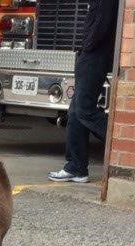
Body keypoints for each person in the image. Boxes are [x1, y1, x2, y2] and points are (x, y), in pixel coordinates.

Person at [48, 0, 118, 183]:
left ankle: (122, 143)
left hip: (94, 56)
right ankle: (76, 168)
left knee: (84, 110)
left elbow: (102, 25)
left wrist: (86, 47)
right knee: (75, 112)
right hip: (91, 55)